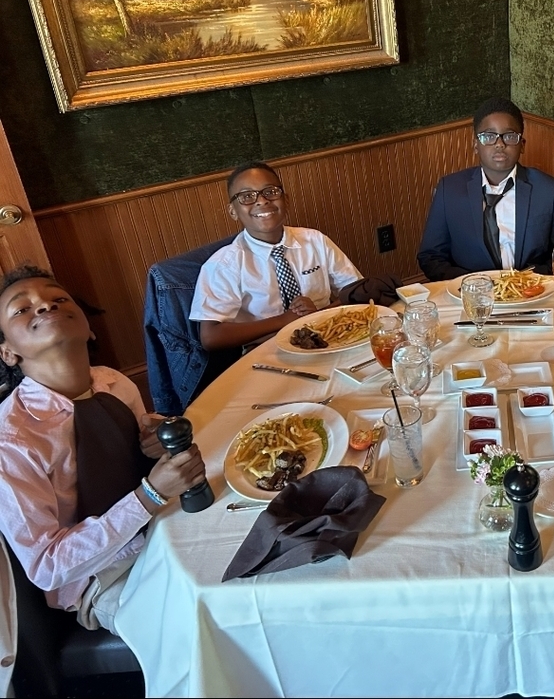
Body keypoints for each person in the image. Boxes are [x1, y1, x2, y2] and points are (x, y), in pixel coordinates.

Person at [0, 266, 207, 634]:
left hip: (163, 528)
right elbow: (46, 566)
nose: (45, 306)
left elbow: (127, 462)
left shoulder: (114, 383)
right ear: (8, 352)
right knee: (199, 623)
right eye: (22, 309)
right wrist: (150, 495)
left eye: (58, 298)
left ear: (88, 326)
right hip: (101, 578)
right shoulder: (13, 440)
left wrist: (155, 444)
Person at [190, 161, 363, 352]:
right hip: (265, 351)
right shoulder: (223, 264)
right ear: (233, 211)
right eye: (247, 196)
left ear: (286, 200)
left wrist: (315, 316)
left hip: (328, 338)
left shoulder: (315, 240)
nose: (262, 201)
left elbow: (356, 291)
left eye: (270, 192)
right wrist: (284, 320)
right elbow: (211, 337)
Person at [416, 97, 554, 281]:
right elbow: (430, 257)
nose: (500, 144)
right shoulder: (449, 190)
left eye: (509, 136)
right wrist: (474, 285)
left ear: (522, 145)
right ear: (476, 145)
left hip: (532, 294)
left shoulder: (547, 189)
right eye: (489, 136)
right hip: (471, 296)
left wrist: (529, 284)